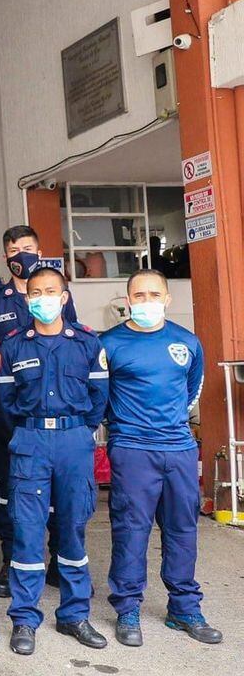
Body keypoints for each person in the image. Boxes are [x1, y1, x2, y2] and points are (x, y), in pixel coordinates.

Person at [100, 270, 222, 645]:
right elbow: (100, 396)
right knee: (131, 530)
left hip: (180, 449)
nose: (147, 301)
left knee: (183, 530)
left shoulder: (186, 342)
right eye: (139, 295)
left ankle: (184, 607)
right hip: (133, 450)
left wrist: (168, 426)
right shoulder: (109, 343)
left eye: (154, 294)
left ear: (168, 299)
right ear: (127, 300)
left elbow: (190, 390)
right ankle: (128, 608)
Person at [0, 266, 108, 655]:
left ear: (63, 298)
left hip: (75, 439)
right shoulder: (12, 346)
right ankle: (24, 619)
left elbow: (99, 399)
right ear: (27, 299)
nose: (42, 298)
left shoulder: (87, 344)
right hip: (30, 439)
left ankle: (74, 614)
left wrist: (77, 429)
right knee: (27, 530)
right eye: (35, 292)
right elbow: (6, 404)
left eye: (50, 292)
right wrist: (33, 429)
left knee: (73, 528)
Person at [0, 224, 79, 595]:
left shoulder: (59, 293)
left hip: (56, 411)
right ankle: (11, 563)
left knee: (58, 495)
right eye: (11, 249)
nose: (18, 253)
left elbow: (76, 349)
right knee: (11, 495)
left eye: (25, 247)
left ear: (39, 250)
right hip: (12, 415)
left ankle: (56, 560)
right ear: (5, 256)